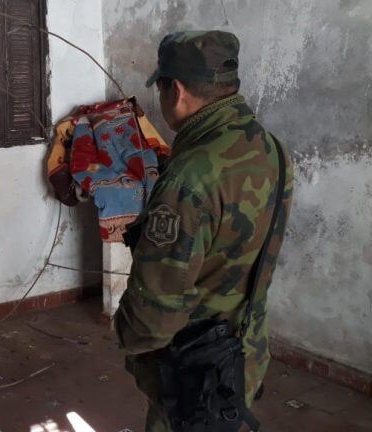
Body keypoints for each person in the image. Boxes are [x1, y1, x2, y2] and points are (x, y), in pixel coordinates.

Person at [114, 31, 294, 431]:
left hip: (193, 372)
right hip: (243, 354)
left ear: (175, 90)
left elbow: (154, 314)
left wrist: (124, 331)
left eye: (160, 90)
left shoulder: (191, 176)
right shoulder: (272, 148)